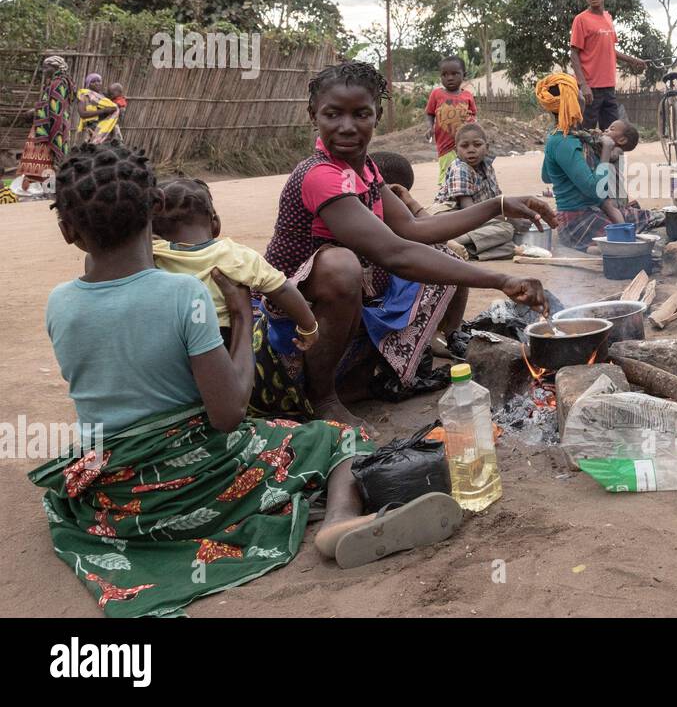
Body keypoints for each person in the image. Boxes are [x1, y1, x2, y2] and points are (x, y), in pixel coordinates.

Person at [29, 142, 463, 618]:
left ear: (69, 232)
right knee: (339, 437)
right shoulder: (183, 295)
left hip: (117, 497)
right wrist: (239, 317)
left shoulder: (60, 303)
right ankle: (338, 522)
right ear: (151, 212)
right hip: (199, 481)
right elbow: (229, 412)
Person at [258, 60, 555, 427]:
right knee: (342, 266)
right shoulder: (320, 175)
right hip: (289, 308)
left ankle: (359, 375)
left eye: (361, 114)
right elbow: (394, 252)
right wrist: (500, 279)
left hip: (344, 300)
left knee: (443, 255)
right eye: (333, 114)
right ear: (313, 115)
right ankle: (323, 398)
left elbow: (415, 229)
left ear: (377, 115)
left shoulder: (365, 169)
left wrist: (497, 205)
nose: (347, 127)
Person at [150, 177, 319, 346]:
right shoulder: (236, 256)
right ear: (215, 224)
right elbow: (282, 289)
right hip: (223, 340)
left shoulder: (154, 253)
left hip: (171, 341)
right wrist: (309, 327)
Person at [537, 72, 652, 250]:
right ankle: (595, 247)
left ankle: (597, 245)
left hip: (589, 212)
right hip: (577, 220)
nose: (584, 93)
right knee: (626, 237)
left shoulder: (562, 137)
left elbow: (547, 176)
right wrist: (606, 150)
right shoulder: (564, 141)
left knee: (647, 217)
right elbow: (595, 191)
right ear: (572, 100)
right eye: (579, 90)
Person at [430, 123, 516, 260]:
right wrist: (506, 218)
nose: (471, 150)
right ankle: (447, 242)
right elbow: (468, 210)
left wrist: (514, 215)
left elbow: (497, 200)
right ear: (456, 150)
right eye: (464, 146)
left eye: (477, 145)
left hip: (473, 218)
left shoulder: (487, 166)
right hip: (451, 216)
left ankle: (460, 251)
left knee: (510, 247)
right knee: (507, 229)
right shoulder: (460, 168)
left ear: (487, 148)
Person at [569, 0, 647, 129]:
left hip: (609, 86)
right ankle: (586, 153)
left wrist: (633, 60)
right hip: (591, 89)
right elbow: (574, 54)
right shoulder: (581, 19)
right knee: (586, 133)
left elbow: (609, 49)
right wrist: (583, 85)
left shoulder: (608, 18)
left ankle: (604, 153)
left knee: (611, 133)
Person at [11, 55, 74, 197]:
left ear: (57, 68)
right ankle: (48, 192)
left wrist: (35, 111)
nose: (44, 70)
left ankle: (50, 192)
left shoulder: (58, 83)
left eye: (47, 67)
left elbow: (56, 109)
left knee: (42, 158)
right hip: (48, 127)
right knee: (43, 160)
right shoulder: (58, 82)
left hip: (50, 128)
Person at [424, 56, 477, 181]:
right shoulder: (436, 94)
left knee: (466, 175)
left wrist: (474, 130)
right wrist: (429, 127)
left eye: (454, 74)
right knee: (448, 176)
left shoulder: (467, 95)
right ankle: (445, 198)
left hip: (465, 144)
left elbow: (474, 115)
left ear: (464, 75)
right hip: (445, 146)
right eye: (444, 75)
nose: (449, 78)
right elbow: (429, 113)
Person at [74, 72, 121, 145]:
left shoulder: (104, 97)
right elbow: (82, 114)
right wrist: (104, 110)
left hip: (106, 129)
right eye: (93, 82)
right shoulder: (84, 96)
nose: (97, 83)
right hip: (91, 129)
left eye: (98, 81)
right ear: (88, 84)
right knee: (93, 151)